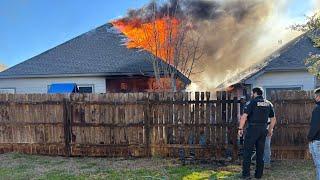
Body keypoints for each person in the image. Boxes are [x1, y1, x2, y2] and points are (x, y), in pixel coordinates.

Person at [238, 87, 277, 179]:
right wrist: (270, 129)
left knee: (247, 152)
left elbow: (244, 117)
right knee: (260, 153)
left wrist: (240, 129)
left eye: (252, 93)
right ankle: (258, 175)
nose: (252, 95)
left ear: (255, 93)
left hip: (252, 129)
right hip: (263, 129)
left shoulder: (252, 102)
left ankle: (246, 175)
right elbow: (273, 119)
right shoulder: (268, 103)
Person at [308, 88, 320, 180]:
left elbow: (315, 126)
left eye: (315, 96)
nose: (315, 98)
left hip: (317, 140)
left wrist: (310, 138)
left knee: (319, 164)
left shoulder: (317, 109)